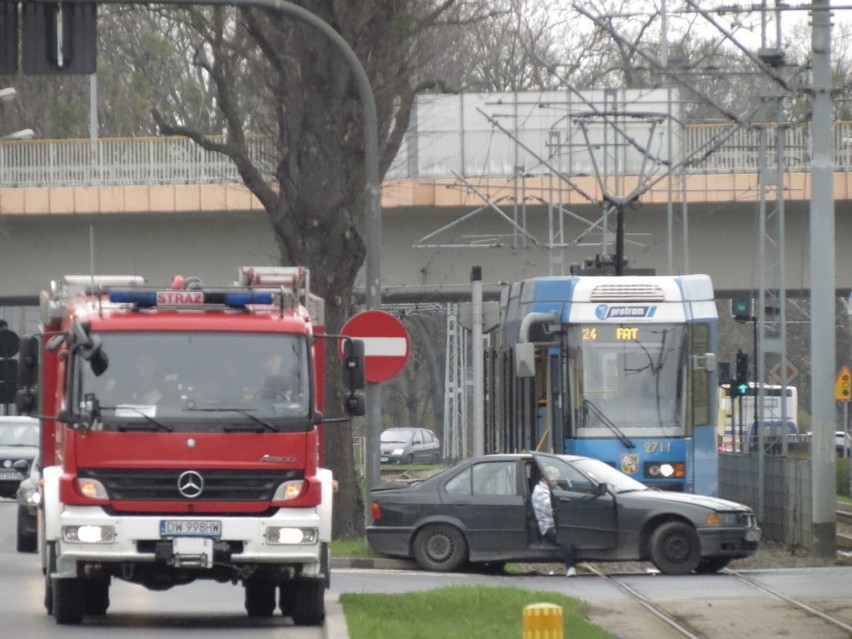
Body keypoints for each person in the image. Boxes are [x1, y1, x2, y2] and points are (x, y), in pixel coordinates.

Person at [532, 465, 577, 577]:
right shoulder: (540, 493)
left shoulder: (551, 488)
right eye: (554, 479)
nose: (556, 482)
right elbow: (551, 511)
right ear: (545, 479)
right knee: (566, 537)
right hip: (548, 528)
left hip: (556, 523)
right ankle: (570, 567)